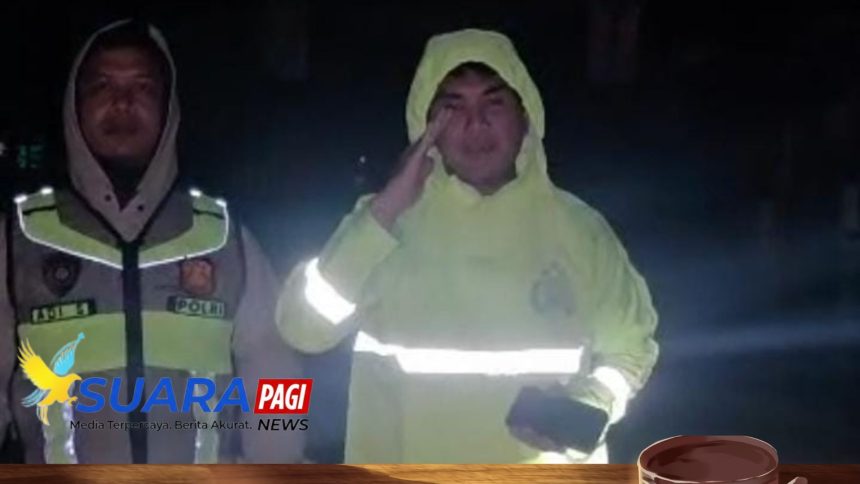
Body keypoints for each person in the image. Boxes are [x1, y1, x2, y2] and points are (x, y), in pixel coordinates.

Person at [276, 29, 658, 463]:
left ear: (526, 116)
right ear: (427, 125)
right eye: (452, 107)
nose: (475, 124)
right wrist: (385, 209)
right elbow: (302, 329)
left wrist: (590, 402)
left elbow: (630, 350)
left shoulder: (579, 229)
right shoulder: (381, 225)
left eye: (494, 103)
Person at [0, 19, 304, 464]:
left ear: (168, 108)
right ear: (74, 106)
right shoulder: (20, 239)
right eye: (102, 85)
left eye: (142, 87)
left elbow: (275, 370)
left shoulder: (222, 236)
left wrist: (280, 464)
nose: (122, 102)